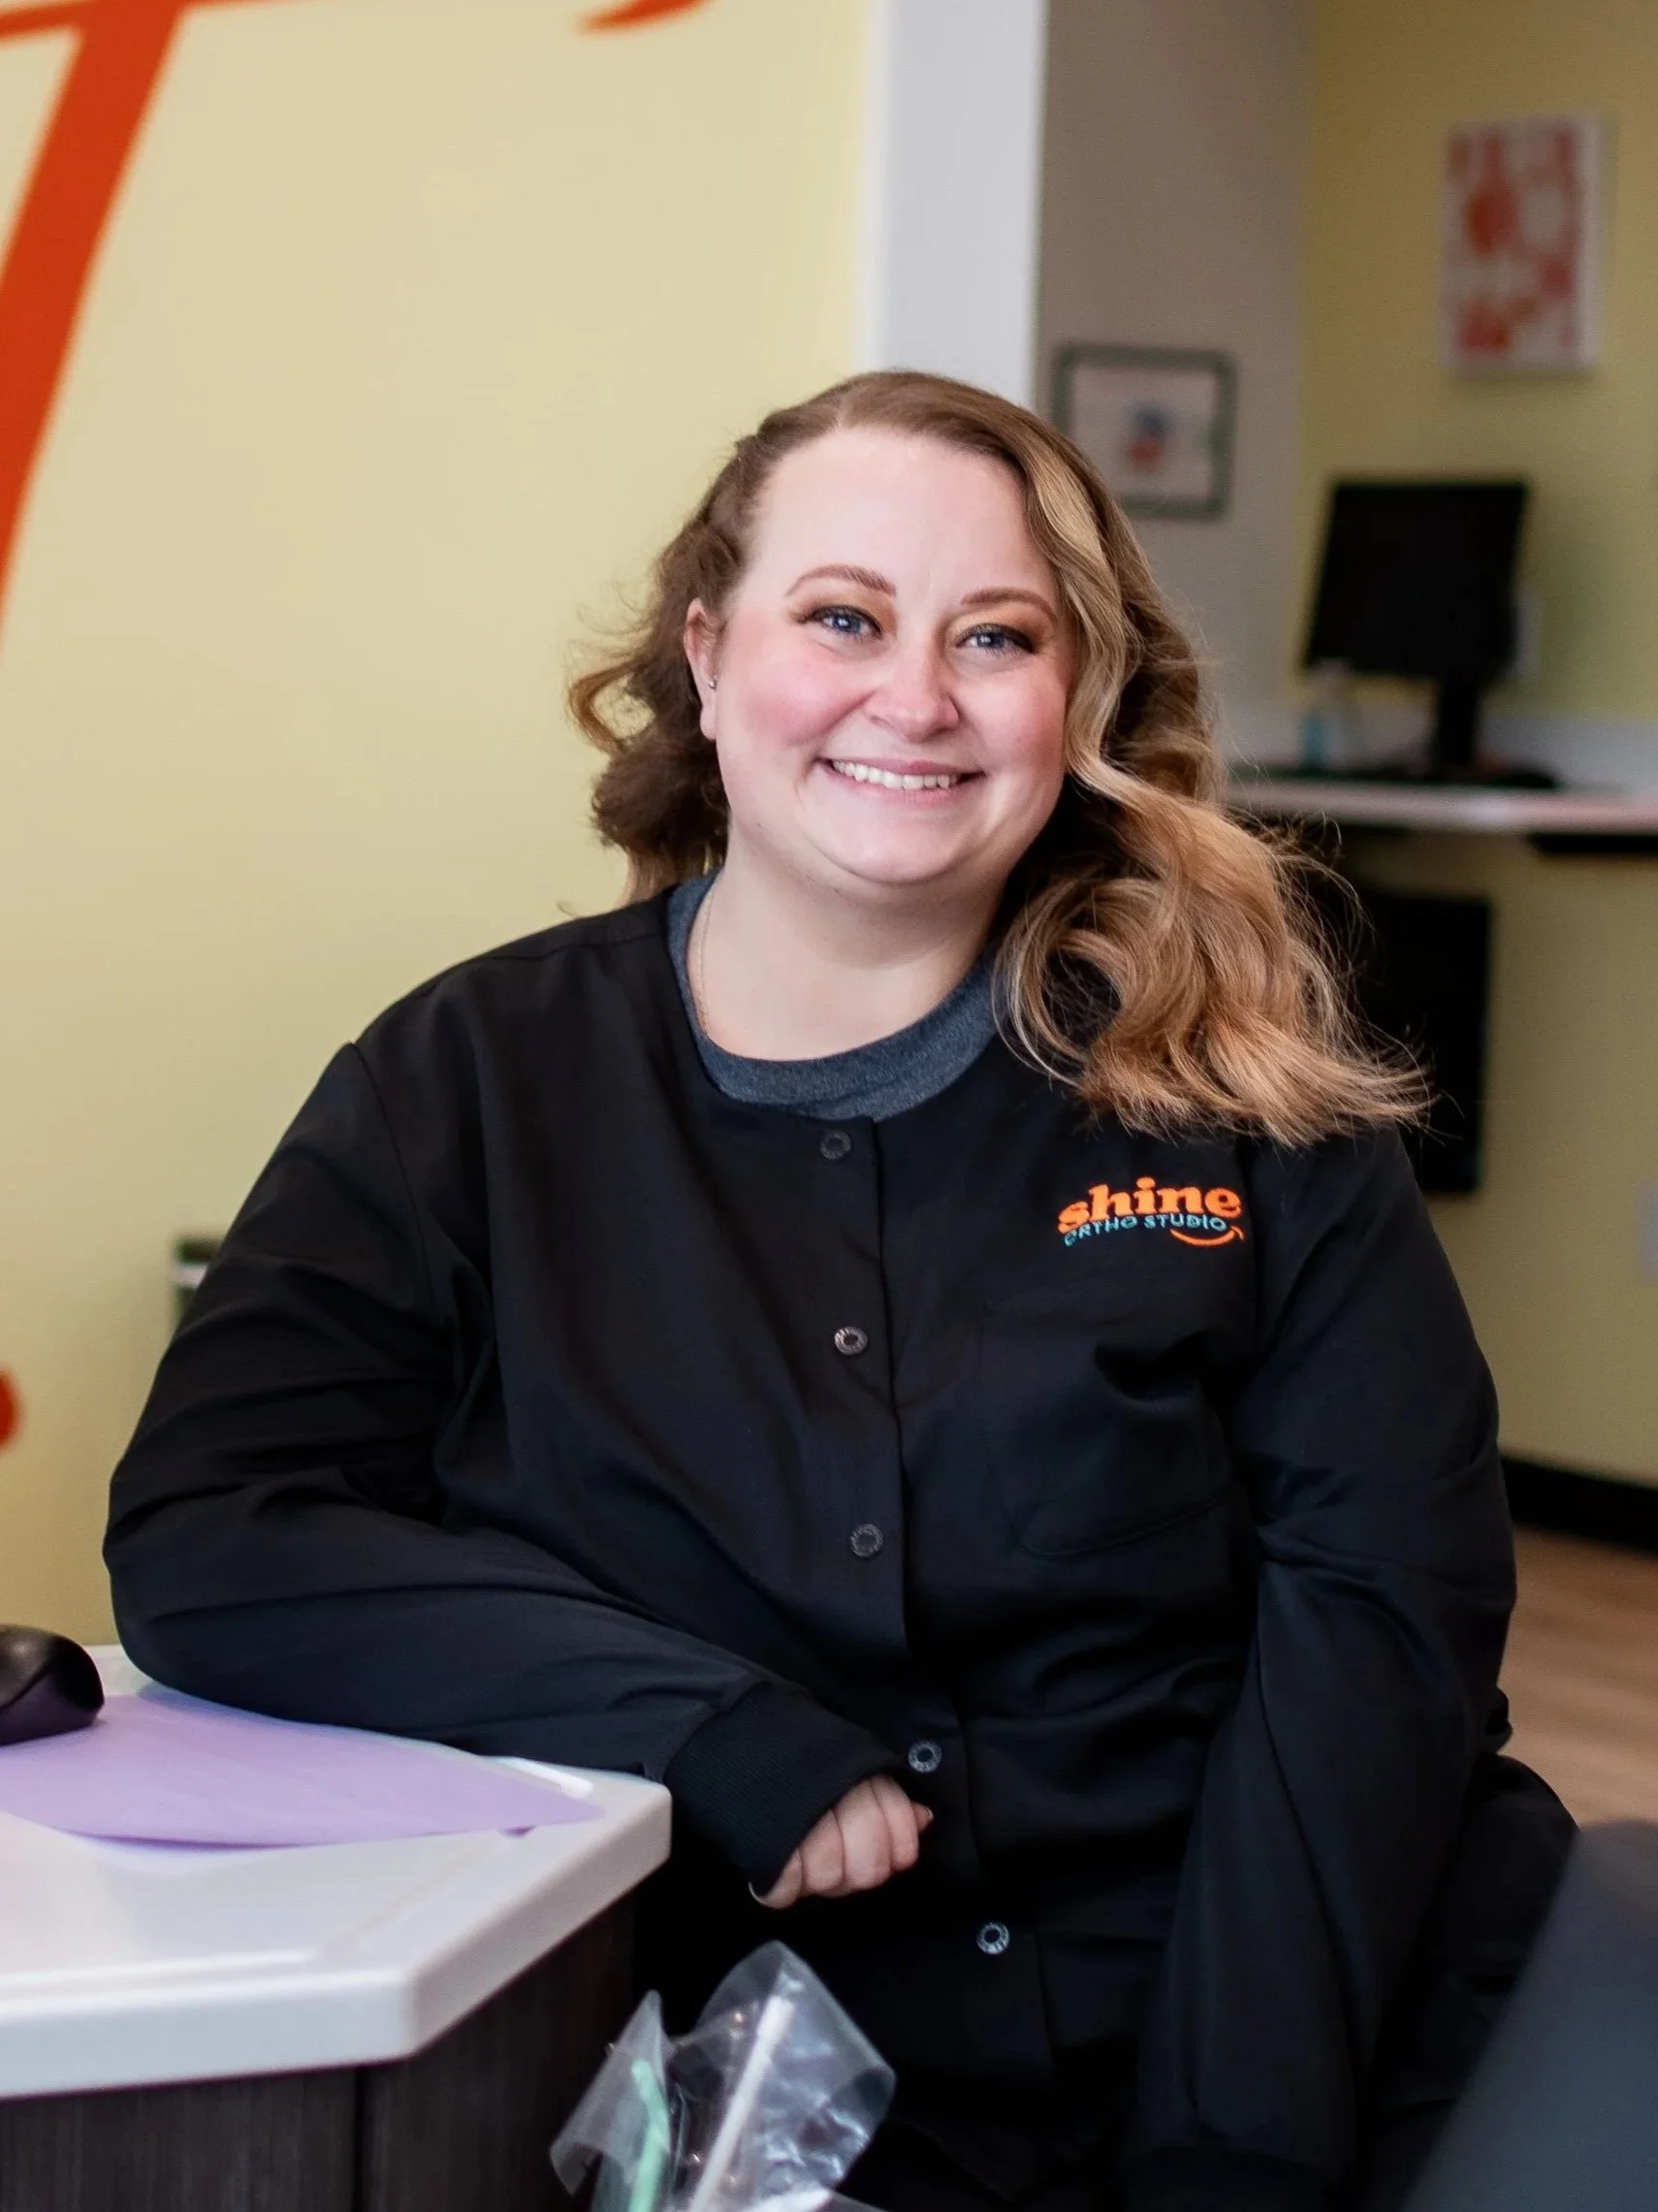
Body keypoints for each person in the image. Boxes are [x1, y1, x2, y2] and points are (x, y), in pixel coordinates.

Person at [105, 371, 1572, 2212]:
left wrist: (1229, 2147)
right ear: (709, 660)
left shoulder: (1244, 1100)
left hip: (1310, 2021)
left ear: (1080, 702)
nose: (918, 697)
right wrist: (700, 1718)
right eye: (845, 619)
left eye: (997, 636)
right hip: (773, 2086)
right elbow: (214, 1528)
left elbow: (1381, 1630)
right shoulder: (462, 1085)